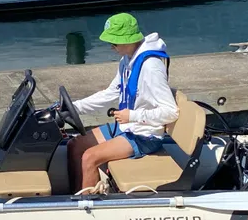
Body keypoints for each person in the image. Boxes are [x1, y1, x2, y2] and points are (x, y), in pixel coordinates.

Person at [67, 13, 179, 193]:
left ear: (128, 40)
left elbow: (170, 112)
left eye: (114, 42)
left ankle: (86, 205)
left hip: (145, 135)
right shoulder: (127, 60)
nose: (111, 47)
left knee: (90, 157)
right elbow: (110, 93)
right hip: (128, 127)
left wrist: (132, 115)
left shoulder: (151, 67)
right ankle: (75, 194)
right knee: (75, 145)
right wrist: (74, 107)